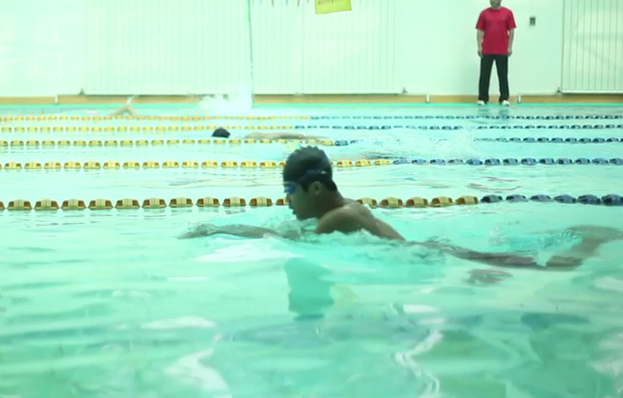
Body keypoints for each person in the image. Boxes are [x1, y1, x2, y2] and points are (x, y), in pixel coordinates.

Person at [180, 146, 622, 270]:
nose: (286, 202)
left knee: (550, 270)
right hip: (430, 250)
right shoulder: (342, 211)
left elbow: (283, 238)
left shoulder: (339, 218)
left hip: (433, 256)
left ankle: (591, 241)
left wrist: (221, 228)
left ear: (314, 188)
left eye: (288, 191)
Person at [476, 0, 516, 107]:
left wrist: (510, 47)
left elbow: (511, 31)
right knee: (484, 75)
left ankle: (504, 98)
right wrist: (479, 46)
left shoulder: (507, 13)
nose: (492, 0)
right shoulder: (484, 13)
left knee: (503, 75)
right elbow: (479, 30)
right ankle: (483, 98)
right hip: (487, 49)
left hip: (502, 49)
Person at [211, 127, 328, 142]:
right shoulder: (247, 137)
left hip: (285, 137)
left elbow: (280, 134)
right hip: (283, 138)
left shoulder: (250, 136)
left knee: (303, 137)